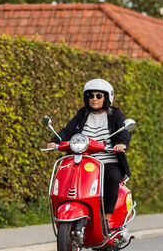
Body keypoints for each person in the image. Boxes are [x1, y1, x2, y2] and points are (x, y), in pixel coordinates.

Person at [48, 78, 131, 219]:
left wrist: (122, 143)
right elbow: (67, 131)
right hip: (82, 160)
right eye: (90, 96)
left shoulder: (114, 114)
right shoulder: (82, 114)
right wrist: (55, 141)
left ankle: (106, 218)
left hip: (107, 161)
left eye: (99, 96)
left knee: (111, 178)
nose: (94, 99)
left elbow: (124, 130)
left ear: (107, 97)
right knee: (66, 176)